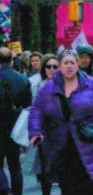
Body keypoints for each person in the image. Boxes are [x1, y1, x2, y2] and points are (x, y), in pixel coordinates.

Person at [29, 49, 93, 195]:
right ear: (60, 66)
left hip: (91, 142)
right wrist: (35, 132)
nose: (69, 66)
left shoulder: (91, 84)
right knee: (68, 187)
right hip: (63, 146)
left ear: (78, 64)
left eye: (72, 62)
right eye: (66, 63)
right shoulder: (49, 87)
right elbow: (36, 110)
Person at [0, 46, 32, 195]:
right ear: (11, 60)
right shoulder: (23, 79)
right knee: (15, 166)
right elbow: (28, 105)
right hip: (14, 128)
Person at [27, 54, 58, 195]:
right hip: (45, 132)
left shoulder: (65, 83)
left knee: (61, 169)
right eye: (48, 66)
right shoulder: (39, 85)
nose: (52, 69)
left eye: (55, 66)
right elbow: (34, 109)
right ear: (44, 68)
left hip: (61, 131)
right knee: (45, 168)